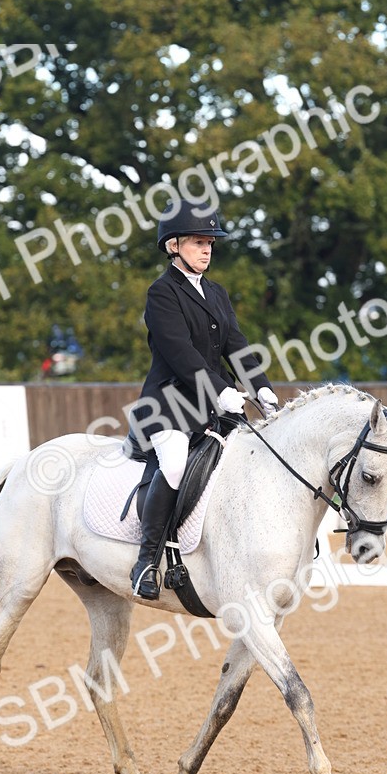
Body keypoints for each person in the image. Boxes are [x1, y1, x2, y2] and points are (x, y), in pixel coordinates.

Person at [128, 198, 279, 599]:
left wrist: (261, 386)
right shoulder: (161, 294)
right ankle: (146, 561)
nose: (208, 249)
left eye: (210, 242)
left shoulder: (216, 292)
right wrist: (223, 390)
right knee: (176, 466)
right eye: (198, 242)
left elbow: (235, 344)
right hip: (169, 406)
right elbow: (180, 354)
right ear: (173, 245)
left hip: (215, 405)